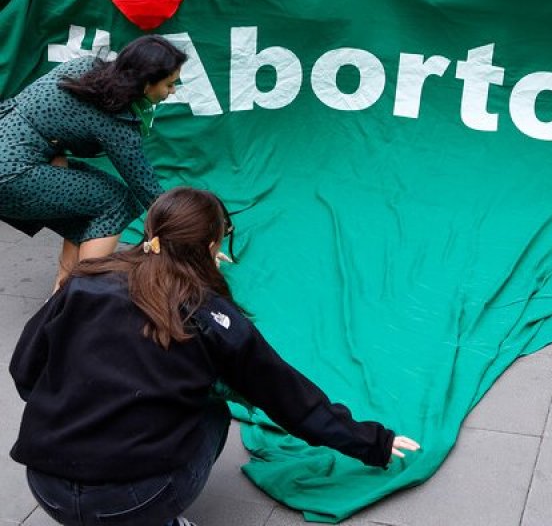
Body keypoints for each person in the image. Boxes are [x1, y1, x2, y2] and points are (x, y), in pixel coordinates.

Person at [10, 186, 420, 526]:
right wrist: (373, 442)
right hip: (133, 503)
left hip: (47, 488)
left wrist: (79, 401)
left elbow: (24, 371)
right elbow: (288, 398)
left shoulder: (84, 283)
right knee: (213, 410)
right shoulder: (211, 317)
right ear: (211, 247)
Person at [0, 35, 186, 286]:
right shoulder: (116, 122)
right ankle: (83, 292)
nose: (173, 91)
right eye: (169, 84)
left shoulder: (85, 68)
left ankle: (63, 290)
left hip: (13, 151)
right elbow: (147, 189)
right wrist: (189, 237)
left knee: (84, 204)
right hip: (12, 172)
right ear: (145, 84)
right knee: (117, 202)